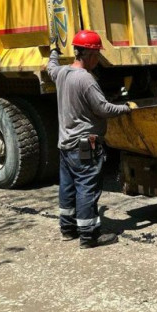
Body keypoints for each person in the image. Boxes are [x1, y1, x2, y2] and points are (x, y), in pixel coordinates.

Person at [47, 29, 133, 246]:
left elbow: (50, 67)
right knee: (86, 187)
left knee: (68, 187)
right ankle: (89, 236)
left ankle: (67, 229)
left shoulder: (62, 74)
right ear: (87, 55)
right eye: (96, 55)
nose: (98, 59)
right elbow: (103, 108)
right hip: (85, 145)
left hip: (66, 144)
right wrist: (126, 108)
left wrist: (53, 51)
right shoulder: (86, 80)